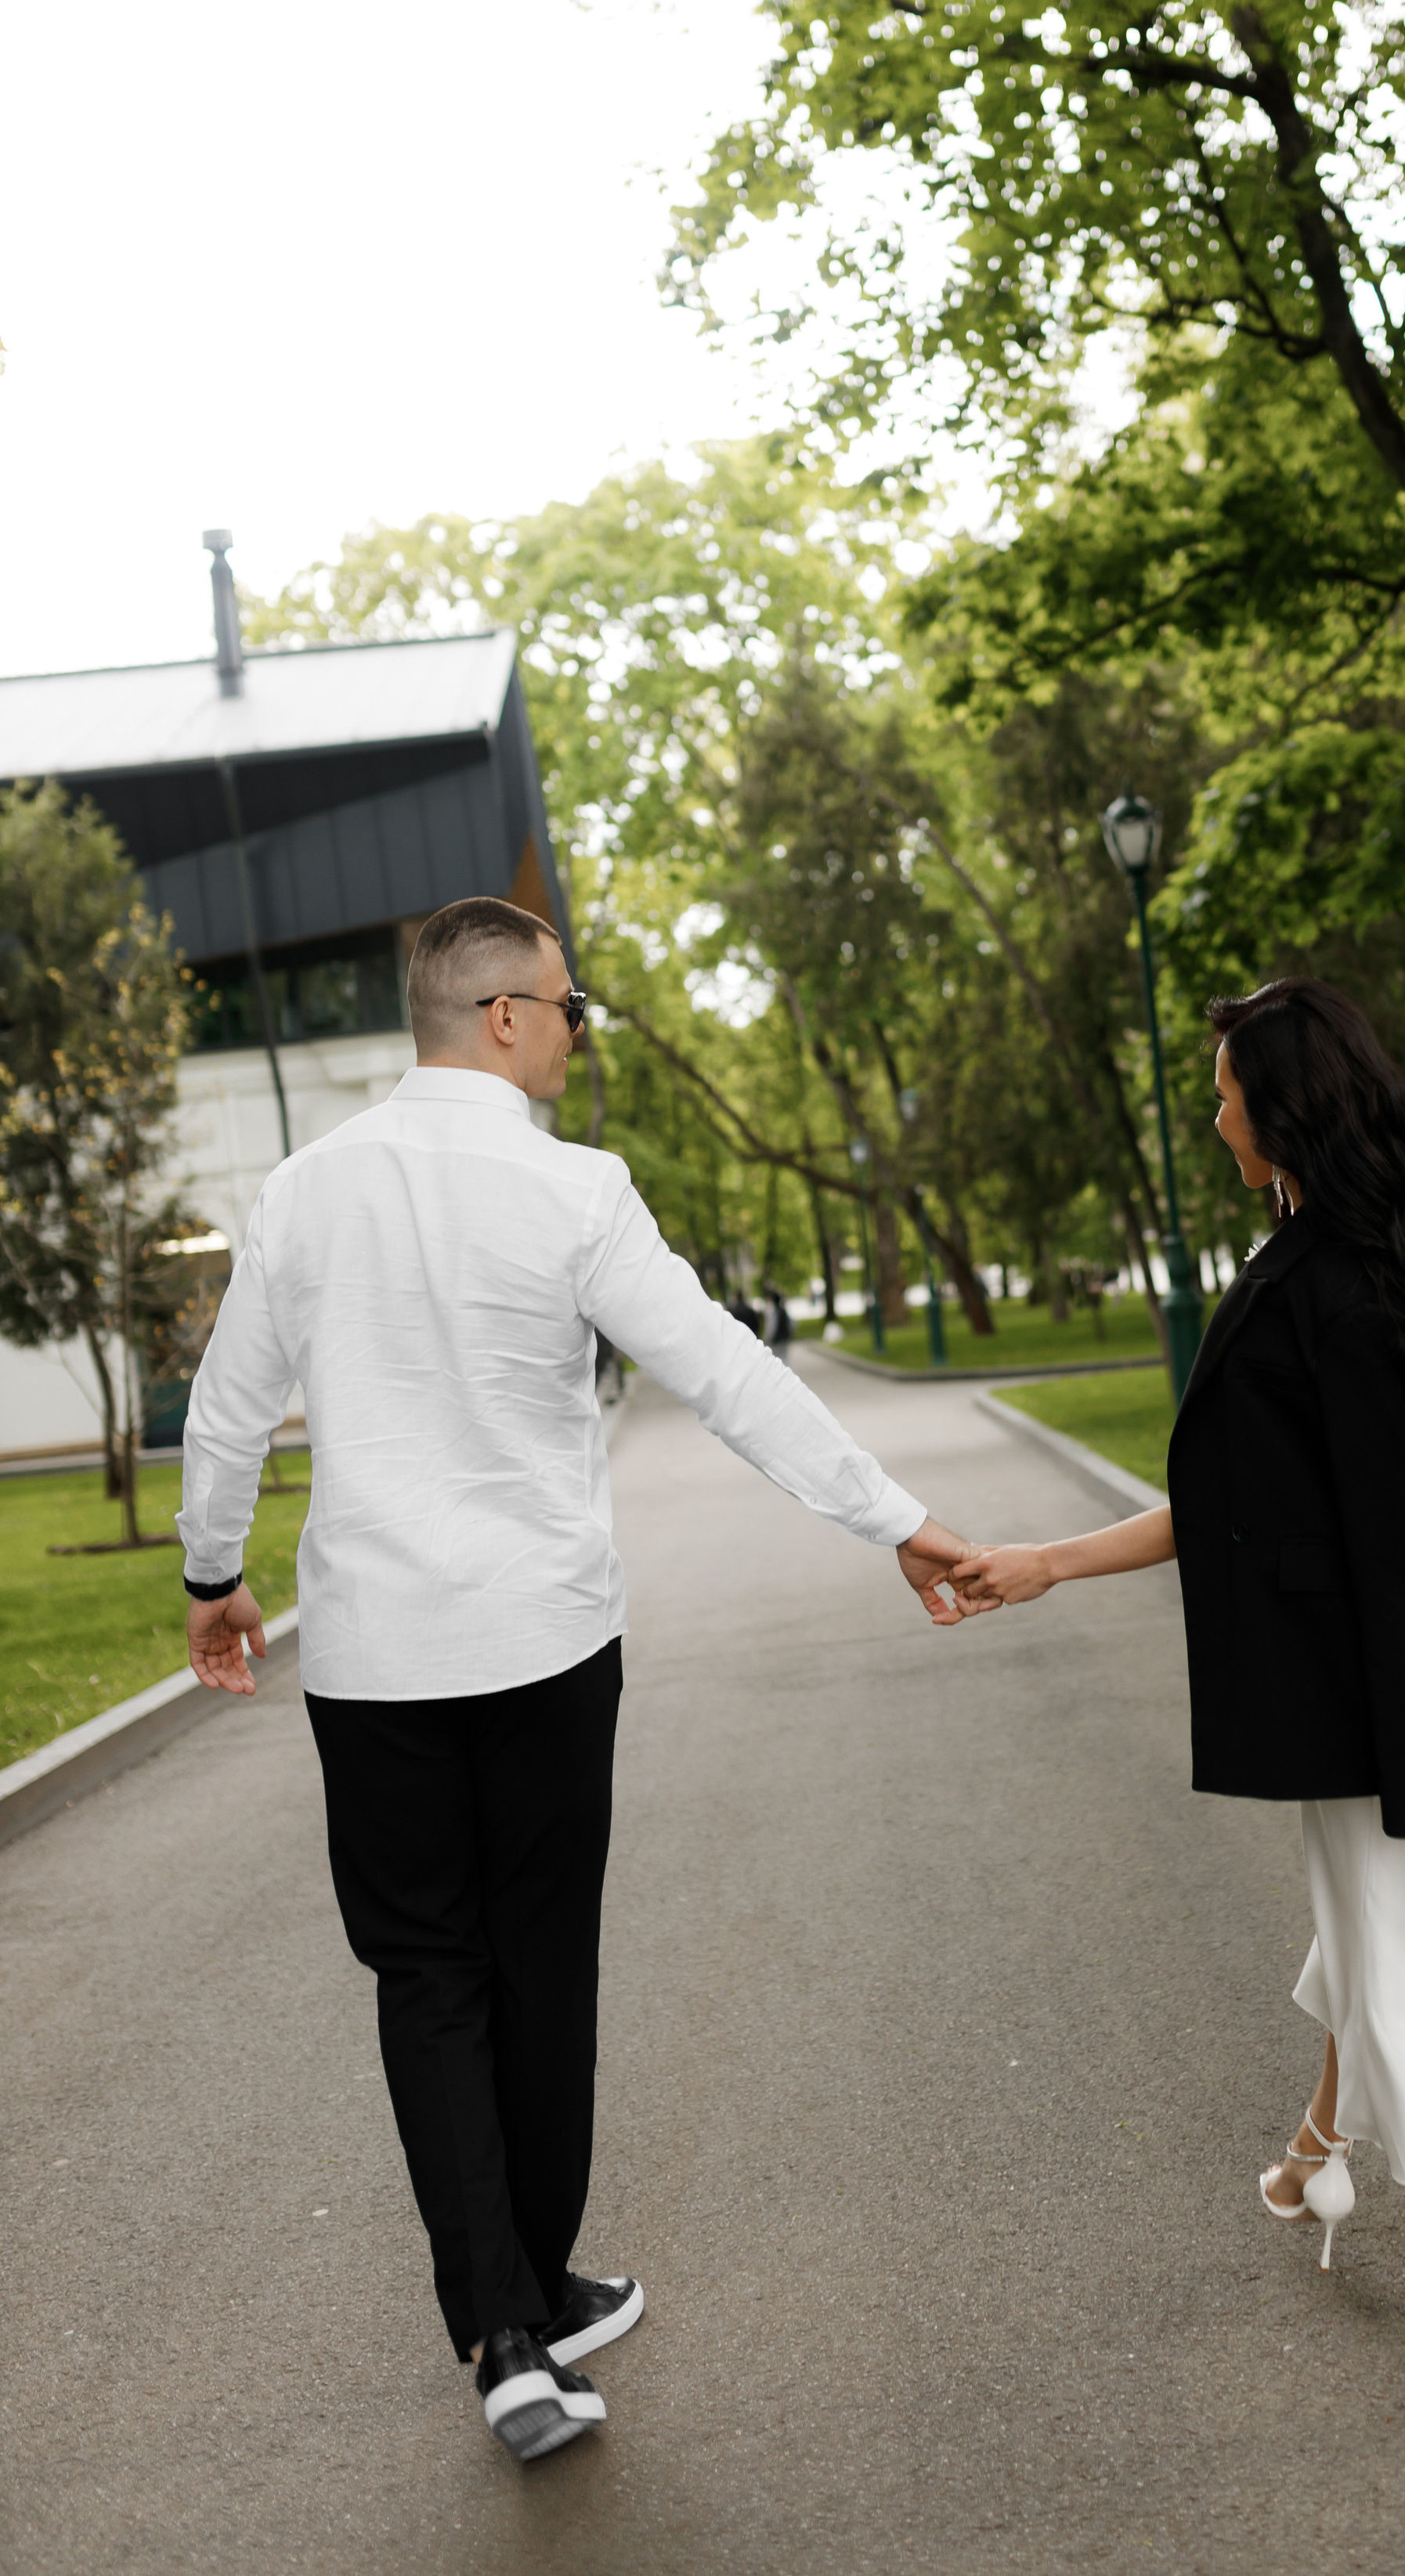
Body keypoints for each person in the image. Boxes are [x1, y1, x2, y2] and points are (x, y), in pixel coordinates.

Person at [179, 896, 975, 2464]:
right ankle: (511, 2330)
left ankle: (518, 2307)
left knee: (430, 1975)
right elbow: (727, 1375)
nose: (574, 1028)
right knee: (539, 1966)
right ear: (498, 1018)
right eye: (563, 1005)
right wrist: (899, 1523)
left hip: (378, 1659)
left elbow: (226, 1411)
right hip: (544, 1648)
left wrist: (214, 1576)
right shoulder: (573, 1192)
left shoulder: (306, 1191)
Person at [959, 977, 1405, 2404]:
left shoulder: (1307, 1293)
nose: (1214, 1119)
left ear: (1285, 1115)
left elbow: (1228, 1518)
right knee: (1387, 1930)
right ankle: (1312, 2160)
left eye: (1225, 1096)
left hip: (1383, 1705)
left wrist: (1046, 1565)